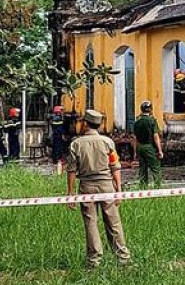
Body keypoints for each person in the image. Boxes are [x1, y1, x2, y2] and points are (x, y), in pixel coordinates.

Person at [66, 110, 131, 269]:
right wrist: (118, 190)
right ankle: (123, 258)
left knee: (91, 222)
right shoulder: (108, 142)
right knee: (113, 222)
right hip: (107, 186)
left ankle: (94, 260)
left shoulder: (76, 144)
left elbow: (71, 170)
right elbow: (115, 167)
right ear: (99, 124)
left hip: (87, 187)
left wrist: (70, 192)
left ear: (86, 124)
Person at [133, 100, 164, 188]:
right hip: (149, 147)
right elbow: (156, 136)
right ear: (150, 109)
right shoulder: (151, 121)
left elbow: (134, 138)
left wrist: (135, 151)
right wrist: (160, 150)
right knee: (155, 168)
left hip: (140, 147)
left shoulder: (137, 121)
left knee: (142, 168)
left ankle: (143, 187)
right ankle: (158, 187)